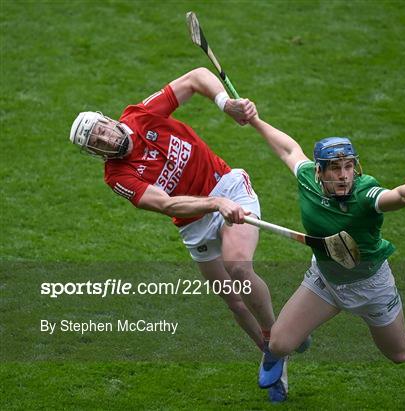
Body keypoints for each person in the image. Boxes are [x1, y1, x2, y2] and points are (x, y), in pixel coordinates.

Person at [68, 67, 290, 402]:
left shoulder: (140, 114)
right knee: (233, 300)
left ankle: (277, 342)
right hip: (193, 220)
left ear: (108, 120)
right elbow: (168, 205)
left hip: (227, 185)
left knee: (239, 270)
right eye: (96, 142)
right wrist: (213, 205)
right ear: (96, 153)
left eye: (101, 129)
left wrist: (224, 103)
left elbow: (196, 77)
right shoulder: (117, 176)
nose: (105, 138)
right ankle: (277, 355)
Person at [249, 114, 405, 398]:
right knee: (279, 344)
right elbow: (289, 149)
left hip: (371, 287)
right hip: (326, 280)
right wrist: (254, 120)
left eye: (348, 167)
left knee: (400, 352)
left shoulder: (365, 192)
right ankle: (295, 338)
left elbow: (393, 196)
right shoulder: (308, 179)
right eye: (335, 169)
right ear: (320, 171)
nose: (344, 175)